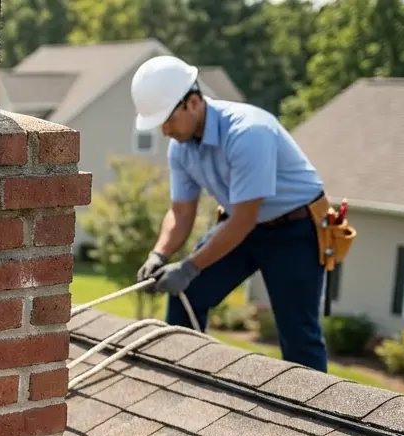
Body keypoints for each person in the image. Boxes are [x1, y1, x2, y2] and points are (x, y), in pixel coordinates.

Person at [131, 55, 330, 372]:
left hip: (294, 232)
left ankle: (316, 419)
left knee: (298, 336)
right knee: (188, 293)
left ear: (193, 102)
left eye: (167, 120)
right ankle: (182, 378)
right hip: (241, 227)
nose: (164, 131)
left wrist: (190, 265)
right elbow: (181, 212)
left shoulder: (248, 133)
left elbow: (244, 219)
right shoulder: (180, 148)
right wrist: (160, 254)